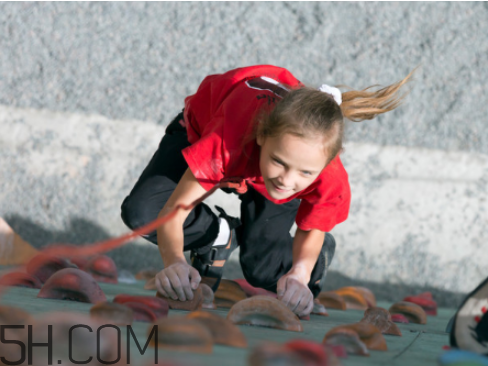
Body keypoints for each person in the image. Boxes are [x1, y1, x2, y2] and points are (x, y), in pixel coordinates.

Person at [121, 65, 413, 317]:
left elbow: (312, 226)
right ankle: (218, 235)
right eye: (279, 162)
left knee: (265, 270)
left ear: (324, 166)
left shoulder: (327, 174)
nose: (287, 180)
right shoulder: (227, 143)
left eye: (305, 173)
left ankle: (311, 263)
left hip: (261, 163)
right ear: (261, 136)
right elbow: (174, 212)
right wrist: (174, 261)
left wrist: (300, 274)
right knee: (143, 214)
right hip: (207, 128)